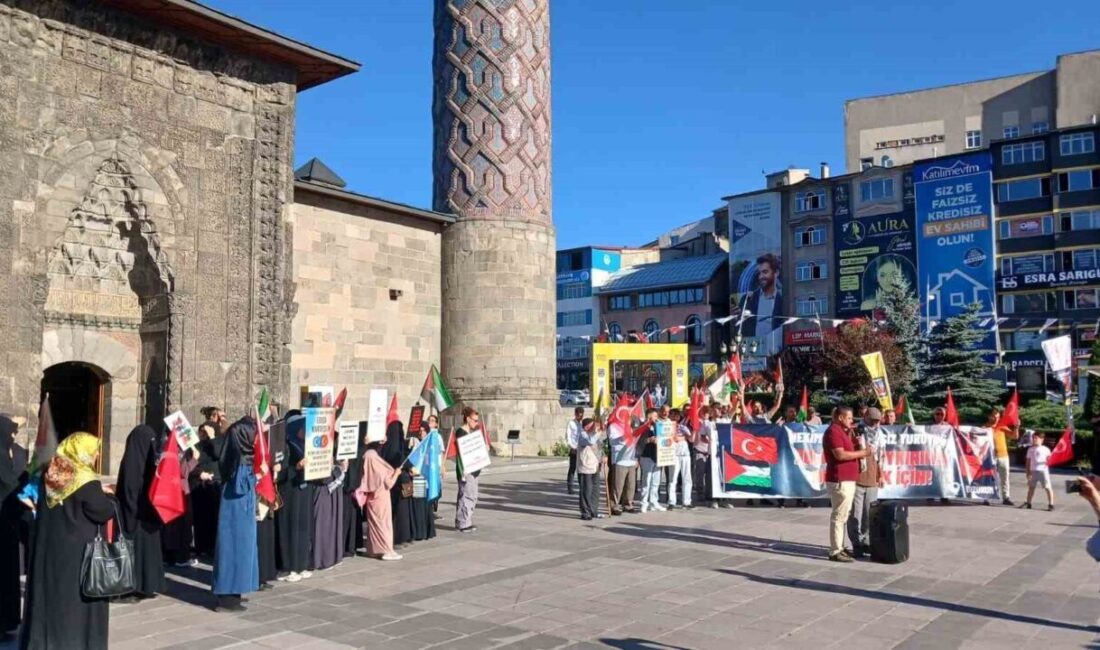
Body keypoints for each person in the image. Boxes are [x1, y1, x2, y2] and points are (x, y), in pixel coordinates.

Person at [20, 433, 115, 650]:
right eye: (94, 450)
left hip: (50, 548)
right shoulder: (85, 479)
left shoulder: (52, 471)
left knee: (51, 597)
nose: (97, 454)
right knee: (74, 605)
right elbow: (101, 511)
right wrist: (108, 497)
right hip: (77, 554)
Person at [212, 417, 261, 612]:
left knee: (243, 551)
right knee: (233, 550)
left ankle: (237, 591)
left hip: (243, 508)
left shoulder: (245, 455)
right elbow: (239, 485)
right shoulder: (237, 458)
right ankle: (226, 598)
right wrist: (258, 475)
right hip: (235, 511)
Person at [115, 424, 165, 600]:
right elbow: (130, 487)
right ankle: (132, 587)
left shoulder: (149, 461)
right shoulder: (133, 461)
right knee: (135, 550)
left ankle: (147, 585)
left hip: (146, 513)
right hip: (134, 515)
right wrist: (134, 511)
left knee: (147, 550)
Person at [823, 406, 871, 562]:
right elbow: (840, 454)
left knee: (843, 515)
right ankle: (835, 551)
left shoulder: (843, 432)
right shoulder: (833, 432)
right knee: (839, 515)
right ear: (840, 417)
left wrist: (857, 443)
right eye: (849, 418)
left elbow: (849, 450)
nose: (852, 421)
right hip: (840, 479)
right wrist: (863, 453)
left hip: (847, 479)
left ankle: (840, 547)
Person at [275, 412, 313, 582]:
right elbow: (281, 473)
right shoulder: (285, 446)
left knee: (303, 528)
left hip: (304, 491)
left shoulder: (306, 444)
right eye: (302, 427)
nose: (305, 430)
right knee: (289, 528)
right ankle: (289, 566)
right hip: (289, 492)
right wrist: (296, 468)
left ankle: (302, 564)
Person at [0, 414, 26, 639]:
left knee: (9, 574)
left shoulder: (14, 453)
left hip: (9, 526)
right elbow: (9, 484)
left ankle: (8, 621)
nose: (12, 436)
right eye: (9, 432)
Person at [357, 439, 403, 560]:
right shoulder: (380, 468)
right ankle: (387, 550)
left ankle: (373, 549)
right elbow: (389, 484)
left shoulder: (366, 461)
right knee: (384, 525)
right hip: (382, 498)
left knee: (373, 525)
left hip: (371, 498)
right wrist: (396, 473)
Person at [847, 408, 884, 559]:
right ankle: (856, 544)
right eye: (872, 420)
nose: (875, 423)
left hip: (872, 478)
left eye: (877, 420)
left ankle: (866, 541)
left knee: (870, 514)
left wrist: (880, 476)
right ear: (865, 417)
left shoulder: (880, 434)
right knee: (855, 514)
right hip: (857, 477)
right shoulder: (855, 430)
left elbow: (880, 456)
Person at [191, 407, 227, 558]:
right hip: (200, 487)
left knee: (214, 519)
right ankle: (201, 547)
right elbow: (191, 466)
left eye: (205, 432)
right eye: (201, 432)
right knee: (200, 520)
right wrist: (200, 472)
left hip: (215, 486)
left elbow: (219, 454)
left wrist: (213, 437)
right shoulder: (198, 447)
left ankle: (213, 547)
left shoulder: (219, 443)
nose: (203, 435)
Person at [161, 441, 198, 568]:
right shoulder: (178, 450)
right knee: (183, 524)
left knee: (173, 524)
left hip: (171, 489)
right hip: (180, 489)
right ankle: (182, 557)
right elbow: (183, 471)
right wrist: (194, 459)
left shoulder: (166, 448)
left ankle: (170, 555)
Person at [740, 253, 783, 356]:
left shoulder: (783, 299)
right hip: (754, 354)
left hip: (777, 353)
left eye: (765, 272)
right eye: (759, 273)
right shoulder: (748, 299)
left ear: (776, 273)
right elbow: (741, 328)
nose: (761, 276)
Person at [382, 419, 415, 546]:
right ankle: (400, 536)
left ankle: (406, 534)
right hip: (399, 481)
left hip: (404, 480)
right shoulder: (392, 446)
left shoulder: (395, 444)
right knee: (401, 509)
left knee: (406, 507)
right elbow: (397, 459)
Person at [608, 408, 643, 516]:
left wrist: (636, 458)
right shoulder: (613, 426)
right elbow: (612, 440)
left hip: (631, 459)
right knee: (618, 485)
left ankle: (628, 503)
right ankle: (614, 505)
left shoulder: (631, 426)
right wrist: (625, 435)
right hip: (620, 459)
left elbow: (635, 443)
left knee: (631, 485)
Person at [454, 407, 483, 533]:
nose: (477, 423)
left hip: (473, 469)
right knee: (467, 495)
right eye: (475, 420)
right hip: (467, 470)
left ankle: (463, 521)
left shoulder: (469, 433)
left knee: (470, 495)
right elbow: (464, 452)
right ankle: (464, 522)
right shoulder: (461, 432)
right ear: (467, 419)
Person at [406, 424, 436, 542]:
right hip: (414, 478)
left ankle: (423, 532)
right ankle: (418, 531)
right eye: (419, 430)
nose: (420, 433)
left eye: (423, 431)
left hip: (421, 477)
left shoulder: (427, 445)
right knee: (416, 505)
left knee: (422, 505)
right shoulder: (414, 443)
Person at [342, 422, 368, 558]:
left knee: (349, 518)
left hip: (350, 489)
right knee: (354, 518)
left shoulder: (356, 448)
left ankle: (348, 546)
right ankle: (352, 545)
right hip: (357, 490)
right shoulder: (363, 449)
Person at [576, 418, 605, 520]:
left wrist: (603, 456)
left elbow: (600, 447)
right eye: (592, 426)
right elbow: (590, 441)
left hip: (595, 466)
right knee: (586, 490)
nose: (594, 428)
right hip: (585, 468)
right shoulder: (582, 435)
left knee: (595, 490)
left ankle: (594, 510)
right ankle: (585, 512)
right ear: (586, 426)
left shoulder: (594, 435)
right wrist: (598, 432)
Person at [639, 407, 666, 513]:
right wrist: (649, 440)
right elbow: (638, 441)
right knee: (646, 480)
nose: (656, 418)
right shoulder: (643, 427)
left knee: (656, 481)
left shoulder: (658, 426)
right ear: (648, 416)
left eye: (656, 416)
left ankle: (654, 501)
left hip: (658, 456)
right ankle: (643, 502)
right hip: (647, 456)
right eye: (654, 416)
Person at [667, 408, 693, 510]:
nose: (674, 417)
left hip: (685, 454)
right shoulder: (666, 427)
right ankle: (671, 502)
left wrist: (684, 436)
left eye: (676, 415)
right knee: (672, 479)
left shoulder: (683, 427)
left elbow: (691, 439)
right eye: (672, 415)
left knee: (687, 478)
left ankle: (686, 501)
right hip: (673, 455)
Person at [990, 409, 1016, 506]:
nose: (996, 418)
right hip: (990, 457)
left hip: (1003, 456)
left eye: (998, 417)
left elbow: (1014, 436)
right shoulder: (986, 428)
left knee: (1005, 477)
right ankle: (987, 496)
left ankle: (1006, 497)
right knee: (989, 478)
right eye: (994, 416)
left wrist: (1017, 427)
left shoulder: (1002, 427)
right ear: (990, 417)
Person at [1024, 431, 1055, 511]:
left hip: (1043, 471)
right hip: (1033, 470)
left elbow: (1049, 460)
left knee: (1047, 487)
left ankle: (1051, 504)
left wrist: (1049, 461)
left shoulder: (1046, 449)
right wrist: (1027, 472)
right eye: (1033, 438)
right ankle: (1028, 502)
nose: (1034, 439)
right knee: (1031, 488)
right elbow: (1028, 461)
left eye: (1036, 438)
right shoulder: (1030, 449)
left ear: (1042, 439)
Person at [565, 407, 583, 495]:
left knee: (581, 469)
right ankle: (570, 487)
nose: (580, 417)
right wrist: (572, 447)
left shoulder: (583, 424)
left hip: (582, 449)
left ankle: (581, 486)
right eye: (578, 415)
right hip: (574, 449)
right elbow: (568, 437)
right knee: (572, 468)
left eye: (581, 415)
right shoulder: (571, 424)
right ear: (575, 414)